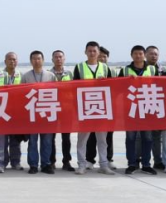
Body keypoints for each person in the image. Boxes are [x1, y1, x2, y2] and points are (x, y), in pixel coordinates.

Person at [73, 41, 115, 175]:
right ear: (85, 52)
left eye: (94, 51)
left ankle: (104, 165)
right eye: (89, 51)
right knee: (82, 139)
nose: (92, 53)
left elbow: (112, 87)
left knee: (102, 140)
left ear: (98, 52)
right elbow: (73, 87)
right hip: (85, 108)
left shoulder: (105, 68)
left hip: (101, 108)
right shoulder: (79, 67)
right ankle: (82, 164)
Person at [120, 45, 158, 175]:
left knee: (147, 138)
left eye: (140, 53)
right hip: (130, 108)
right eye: (135, 53)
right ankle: (132, 163)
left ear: (144, 55)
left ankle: (146, 164)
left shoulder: (152, 69)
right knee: (130, 138)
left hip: (148, 107)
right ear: (131, 55)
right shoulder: (125, 70)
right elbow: (117, 88)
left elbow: (160, 85)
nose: (138, 56)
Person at [21, 50, 56, 174]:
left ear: (43, 60)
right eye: (34, 59)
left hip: (47, 112)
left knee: (47, 141)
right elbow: (21, 95)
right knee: (32, 141)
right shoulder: (26, 76)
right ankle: (33, 165)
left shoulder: (50, 76)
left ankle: (46, 164)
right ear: (31, 61)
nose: (36, 61)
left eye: (39, 58)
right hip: (32, 114)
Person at [85, 45, 118, 166]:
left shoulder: (111, 71)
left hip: (107, 107)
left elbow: (117, 88)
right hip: (90, 106)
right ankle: (90, 159)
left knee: (108, 135)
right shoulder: (84, 68)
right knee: (91, 135)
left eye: (105, 57)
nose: (103, 59)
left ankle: (108, 159)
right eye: (101, 57)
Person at [50, 50, 74, 172]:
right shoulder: (48, 74)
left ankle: (66, 161)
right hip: (52, 109)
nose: (58, 59)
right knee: (51, 137)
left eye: (60, 57)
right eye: (56, 57)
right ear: (52, 59)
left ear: (64, 59)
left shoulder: (69, 73)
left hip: (66, 109)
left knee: (66, 138)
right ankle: (51, 161)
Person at [146, 45, 166, 170]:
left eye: (156, 54)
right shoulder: (142, 68)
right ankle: (140, 160)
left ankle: (158, 160)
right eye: (151, 54)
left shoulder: (163, 70)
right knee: (141, 137)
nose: (154, 56)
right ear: (145, 55)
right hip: (143, 105)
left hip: (158, 106)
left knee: (157, 137)